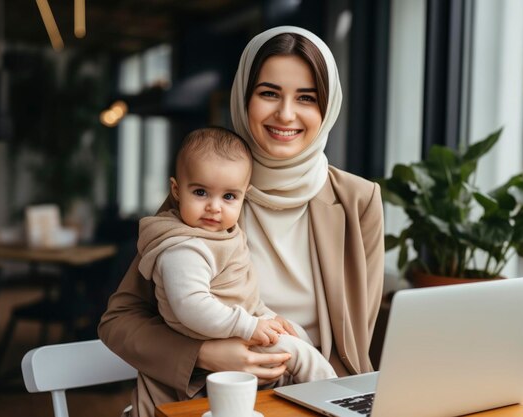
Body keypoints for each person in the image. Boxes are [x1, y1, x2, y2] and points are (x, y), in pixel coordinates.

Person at [99, 26, 384, 417]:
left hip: (317, 399)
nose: (285, 114)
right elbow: (119, 321)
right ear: (244, 97)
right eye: (269, 93)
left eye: (306, 98)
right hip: (213, 399)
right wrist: (205, 354)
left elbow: (356, 338)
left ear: (329, 106)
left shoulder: (358, 201)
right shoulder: (206, 186)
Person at [136, 127, 337, 389]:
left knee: (295, 335)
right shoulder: (184, 248)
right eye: (200, 193)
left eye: (229, 196)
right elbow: (192, 306)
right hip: (215, 339)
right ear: (176, 190)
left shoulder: (226, 234)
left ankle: (296, 393)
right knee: (301, 355)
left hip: (236, 327)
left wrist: (267, 317)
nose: (214, 207)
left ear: (245, 194)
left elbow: (241, 292)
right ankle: (332, 399)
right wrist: (250, 325)